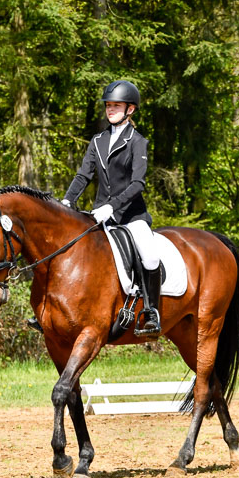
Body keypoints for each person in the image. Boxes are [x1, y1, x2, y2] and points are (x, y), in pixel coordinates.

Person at [61, 79, 161, 335]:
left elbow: (137, 184)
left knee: (149, 256)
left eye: (116, 106)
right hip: (100, 216)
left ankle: (151, 312)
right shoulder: (98, 141)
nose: (110, 110)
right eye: (108, 106)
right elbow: (84, 175)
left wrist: (112, 207)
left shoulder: (137, 142)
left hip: (131, 216)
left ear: (130, 110)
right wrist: (67, 201)